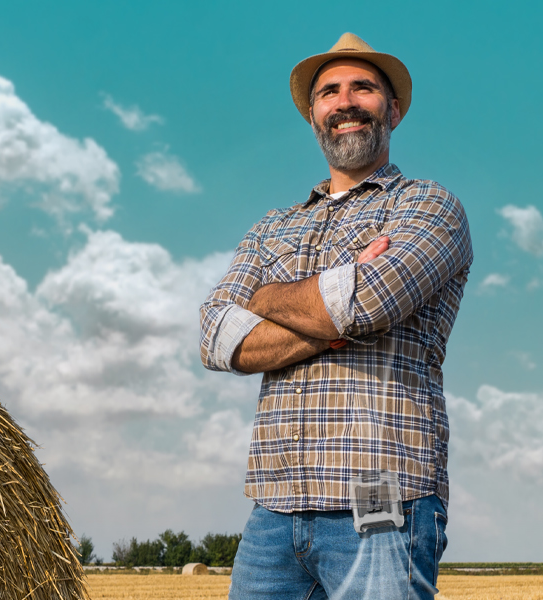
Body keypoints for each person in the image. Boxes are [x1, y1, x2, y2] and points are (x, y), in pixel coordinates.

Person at [199, 32, 472, 599]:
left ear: (392, 109)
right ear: (313, 114)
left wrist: (267, 298)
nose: (345, 102)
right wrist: (332, 311)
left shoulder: (427, 205)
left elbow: (368, 302)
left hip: (380, 493)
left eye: (363, 88)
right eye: (329, 92)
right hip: (274, 507)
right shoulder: (274, 225)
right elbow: (218, 340)